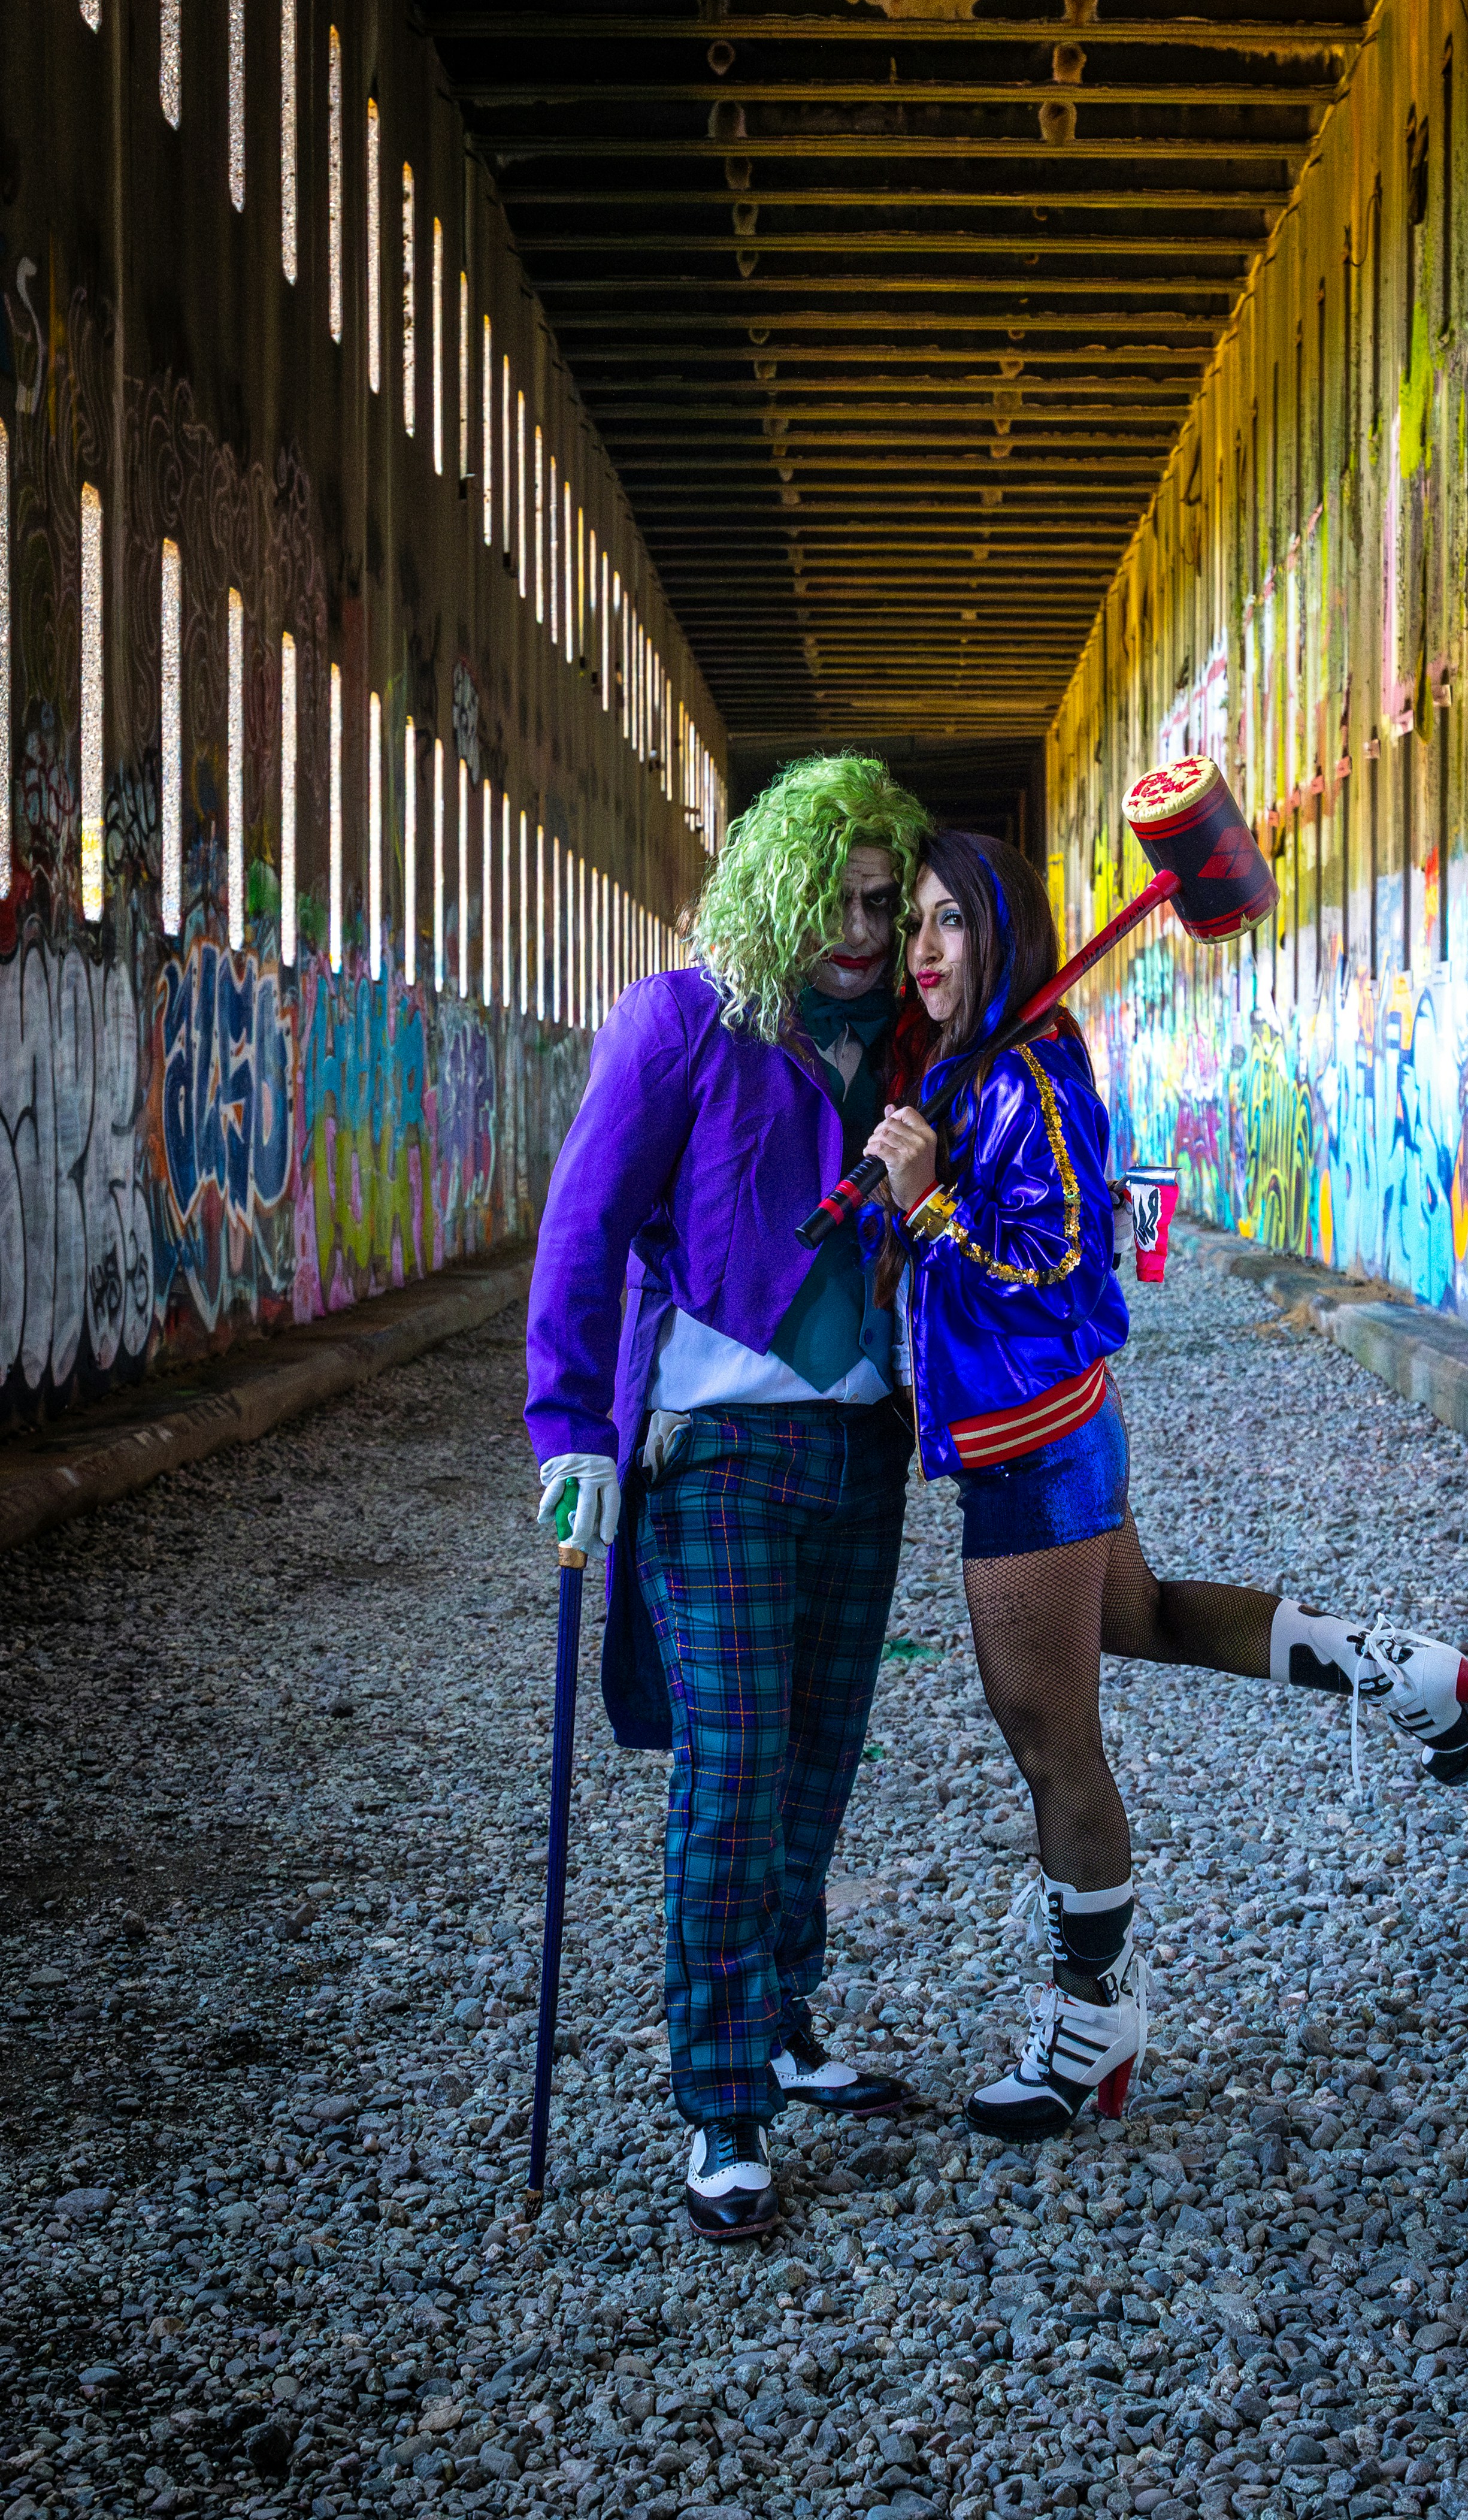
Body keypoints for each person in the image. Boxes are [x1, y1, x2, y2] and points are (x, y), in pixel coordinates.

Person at [862, 830, 1468, 2141]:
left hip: (1032, 1444)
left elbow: (1060, 1281)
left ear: (1001, 937)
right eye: (916, 926)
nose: (925, 950)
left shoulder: (1032, 1074)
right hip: (1036, 1434)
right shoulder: (965, 1069)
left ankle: (1090, 2020)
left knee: (1049, 1736)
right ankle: (1402, 1670)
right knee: (1145, 1616)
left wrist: (930, 1209)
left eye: (950, 923)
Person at [525, 752, 933, 2241]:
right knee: (739, 1758)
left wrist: (929, 1178)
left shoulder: (912, 1053)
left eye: (884, 901)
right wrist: (568, 1423)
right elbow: (583, 1222)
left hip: (863, 1447)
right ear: (776, 883)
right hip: (715, 1452)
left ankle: (781, 2015)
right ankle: (720, 2100)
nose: (861, 927)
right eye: (833, 895)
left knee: (820, 1755)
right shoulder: (683, 1022)